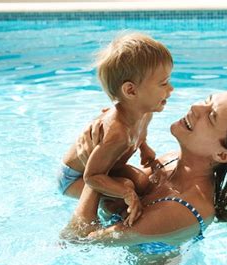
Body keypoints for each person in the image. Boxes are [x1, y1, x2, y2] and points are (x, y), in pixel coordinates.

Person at [61, 90, 227, 254]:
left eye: (211, 116)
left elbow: (79, 240)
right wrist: (110, 135)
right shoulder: (170, 162)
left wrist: (97, 167)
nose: (195, 107)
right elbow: (100, 193)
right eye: (207, 100)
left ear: (222, 155)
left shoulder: (180, 210)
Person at [58, 32, 174, 225]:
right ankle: (85, 231)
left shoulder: (145, 112)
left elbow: (139, 133)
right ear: (130, 90)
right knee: (125, 193)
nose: (171, 89)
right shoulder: (117, 134)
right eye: (163, 83)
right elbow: (92, 176)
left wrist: (144, 147)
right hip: (74, 178)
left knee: (144, 184)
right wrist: (126, 194)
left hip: (107, 168)